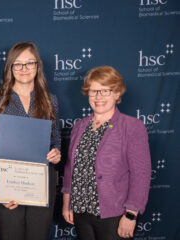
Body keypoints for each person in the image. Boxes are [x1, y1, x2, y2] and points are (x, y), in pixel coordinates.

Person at [0, 41, 61, 240]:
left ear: (37, 66)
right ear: (10, 67)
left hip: (41, 181)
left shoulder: (51, 100)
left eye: (29, 63)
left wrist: (57, 152)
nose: (24, 69)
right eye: (18, 64)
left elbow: (56, 139)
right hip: (8, 180)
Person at [62, 66, 151, 240]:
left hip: (115, 215)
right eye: (94, 91)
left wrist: (131, 215)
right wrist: (67, 205)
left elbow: (141, 174)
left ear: (117, 93)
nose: (98, 97)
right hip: (81, 213)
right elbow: (69, 169)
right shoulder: (80, 126)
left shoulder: (131, 127)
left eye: (105, 91)